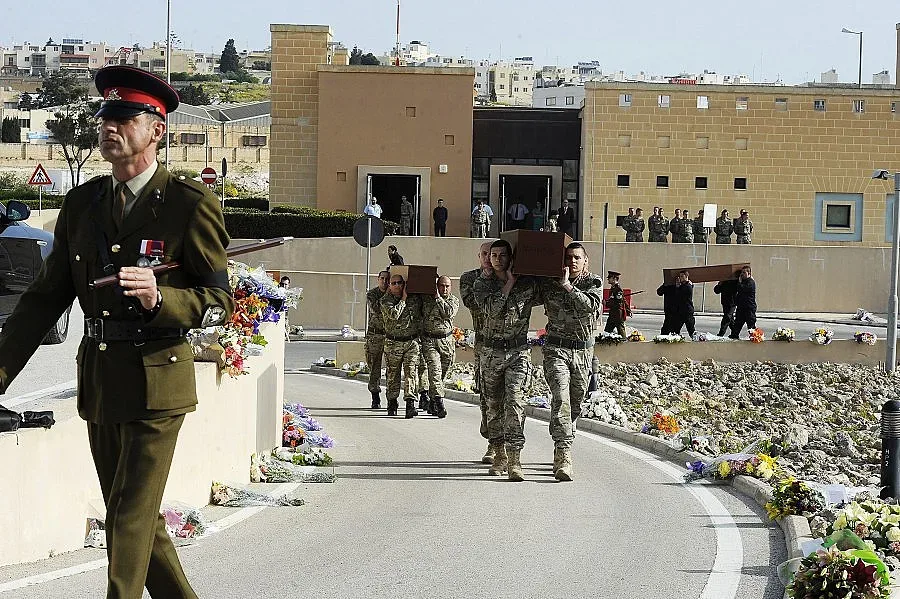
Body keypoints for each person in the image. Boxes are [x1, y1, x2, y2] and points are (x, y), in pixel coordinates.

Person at [0, 65, 233, 599]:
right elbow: (42, 300)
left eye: (126, 116)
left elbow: (218, 301)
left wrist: (160, 299)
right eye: (105, 114)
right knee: (138, 523)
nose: (110, 125)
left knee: (127, 519)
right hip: (102, 382)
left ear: (158, 130)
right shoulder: (82, 203)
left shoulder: (189, 205)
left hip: (158, 385)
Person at [473, 240, 542, 481]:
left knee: (515, 404)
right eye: (494, 255)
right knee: (493, 407)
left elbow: (549, 290)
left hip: (518, 352)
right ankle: (499, 454)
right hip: (491, 353)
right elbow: (490, 309)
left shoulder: (527, 284)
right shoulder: (481, 283)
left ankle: (515, 460)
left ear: (511, 257)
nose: (498, 259)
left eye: (503, 255)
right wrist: (510, 282)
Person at [539, 243, 604, 481]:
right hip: (556, 349)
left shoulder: (593, 283)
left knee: (575, 404)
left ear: (585, 261)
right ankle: (563, 454)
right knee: (561, 400)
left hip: (583, 353)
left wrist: (567, 286)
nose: (573, 261)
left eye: (577, 258)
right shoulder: (550, 282)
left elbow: (592, 306)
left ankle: (565, 432)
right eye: (568, 257)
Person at [459, 241, 495, 463]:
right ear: (478, 256)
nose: (488, 258)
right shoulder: (470, 278)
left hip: (508, 344)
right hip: (484, 343)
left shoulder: (507, 277)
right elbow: (473, 303)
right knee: (486, 395)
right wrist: (488, 278)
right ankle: (491, 440)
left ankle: (505, 444)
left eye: (492, 254)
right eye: (484, 254)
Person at [380, 273, 423, 417]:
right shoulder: (385, 301)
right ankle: (392, 402)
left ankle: (410, 403)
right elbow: (394, 314)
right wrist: (404, 299)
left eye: (400, 283)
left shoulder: (414, 299)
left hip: (411, 342)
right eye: (394, 283)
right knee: (393, 375)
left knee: (411, 373)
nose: (397, 285)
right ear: (389, 286)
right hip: (393, 343)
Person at [420, 275, 459, 419]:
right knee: (434, 371)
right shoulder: (426, 300)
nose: (444, 288)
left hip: (446, 342)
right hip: (430, 341)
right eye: (441, 285)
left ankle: (432, 400)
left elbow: (448, 313)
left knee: (442, 374)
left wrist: (438, 298)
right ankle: (439, 403)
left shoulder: (453, 301)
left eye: (447, 286)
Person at [365, 271, 390, 408]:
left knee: (391, 368)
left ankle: (391, 397)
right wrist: (389, 294)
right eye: (382, 279)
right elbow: (377, 308)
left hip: (389, 335)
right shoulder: (372, 294)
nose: (385, 282)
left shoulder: (394, 294)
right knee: (374, 366)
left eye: (387, 279)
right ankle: (375, 396)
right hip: (375, 336)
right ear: (378, 279)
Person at [656, 270, 695, 338]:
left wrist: (682, 286)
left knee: (678, 330)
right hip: (670, 310)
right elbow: (659, 292)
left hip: (677, 311)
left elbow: (683, 293)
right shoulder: (669, 285)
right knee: (668, 330)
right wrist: (665, 285)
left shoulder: (681, 286)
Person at [730, 266, 757, 339]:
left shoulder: (750, 282)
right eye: (741, 272)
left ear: (749, 273)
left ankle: (754, 338)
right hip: (741, 308)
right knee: (737, 325)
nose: (742, 274)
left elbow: (742, 289)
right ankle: (734, 336)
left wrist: (739, 282)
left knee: (751, 326)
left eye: (744, 272)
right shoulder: (743, 281)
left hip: (749, 308)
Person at [603, 270, 631, 338]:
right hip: (613, 314)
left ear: (614, 279)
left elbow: (619, 303)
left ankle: (624, 346)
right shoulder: (613, 288)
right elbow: (622, 300)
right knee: (607, 332)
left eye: (609, 278)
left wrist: (606, 304)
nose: (608, 279)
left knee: (621, 333)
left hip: (618, 315)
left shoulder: (618, 289)